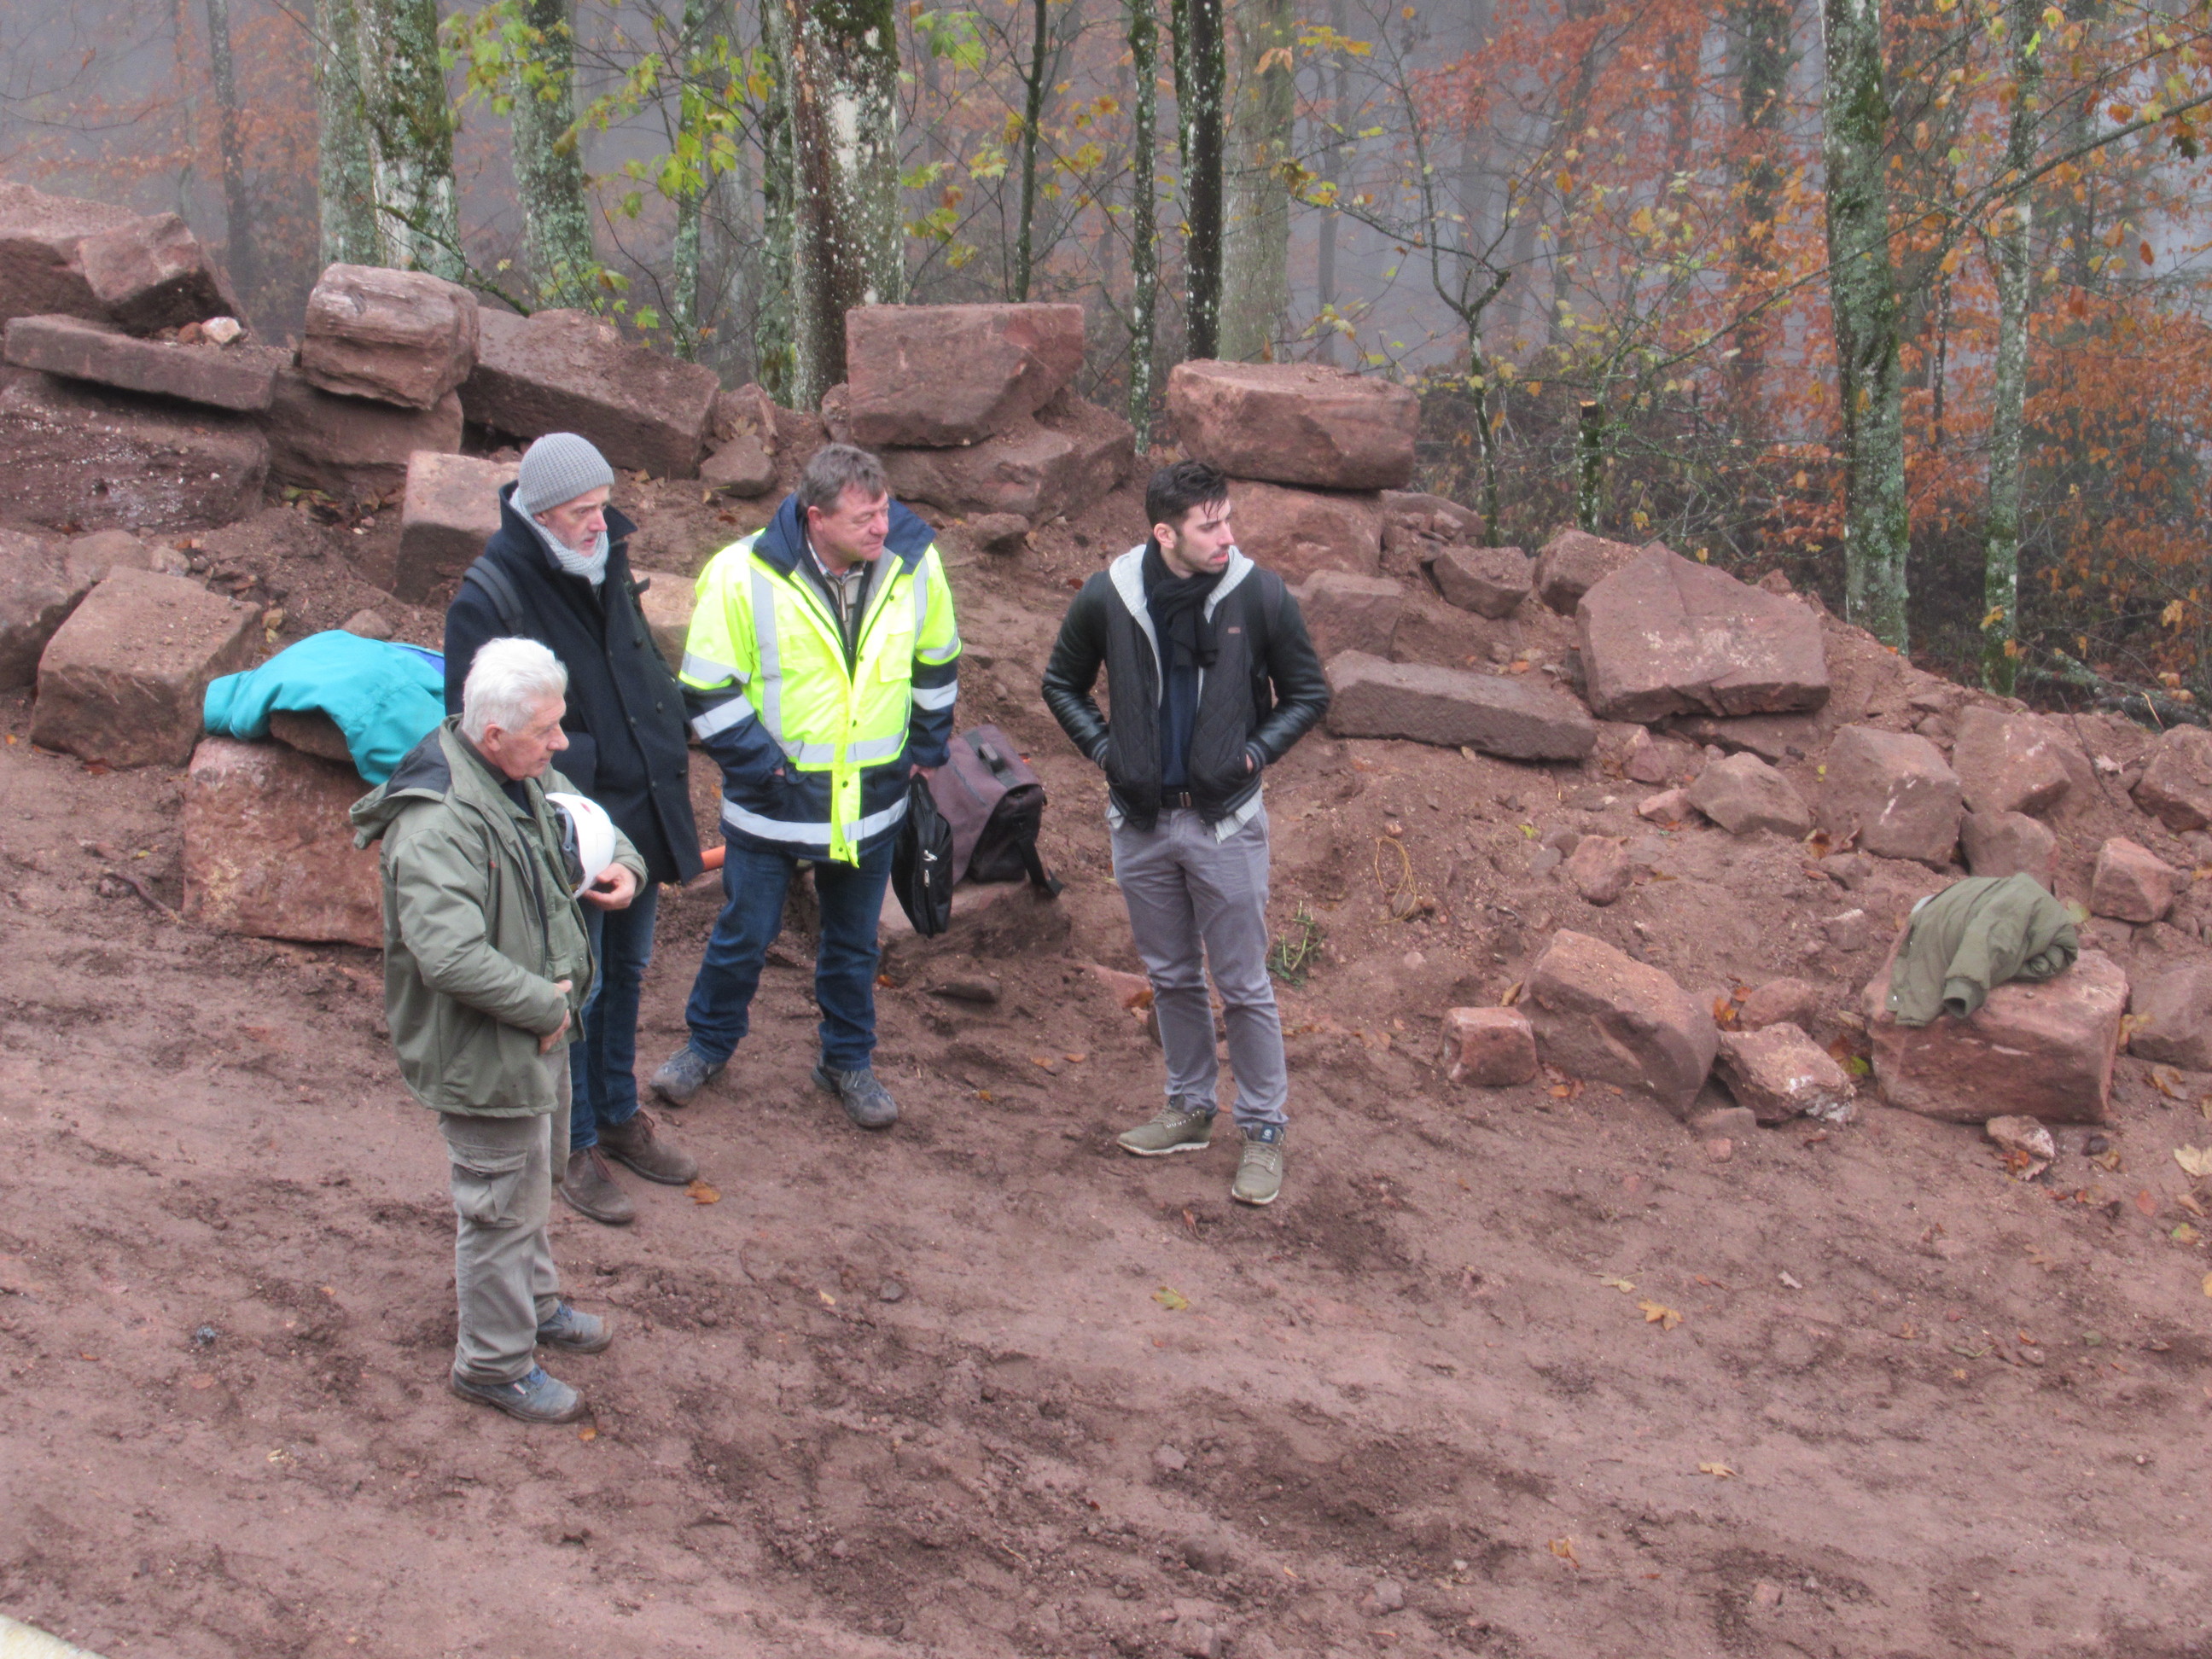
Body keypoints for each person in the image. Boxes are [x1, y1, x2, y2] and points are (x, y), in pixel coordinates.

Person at [351, 637, 647, 1424]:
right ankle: (492, 1364)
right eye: (547, 730)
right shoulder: (437, 825)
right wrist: (547, 1007)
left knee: (532, 1180)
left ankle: (535, 1306)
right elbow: (449, 956)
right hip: (488, 1046)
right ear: (494, 734)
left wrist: (624, 864)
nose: (561, 744)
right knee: (497, 1207)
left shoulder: (517, 772)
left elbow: (586, 822)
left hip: (537, 1033)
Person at [1040, 460, 1330, 1206]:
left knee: (1244, 984)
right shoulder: (1110, 594)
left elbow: (1308, 693)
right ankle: (1191, 1107)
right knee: (1170, 975)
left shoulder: (1260, 594)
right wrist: (1106, 752)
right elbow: (1061, 682)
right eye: (1210, 526)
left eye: (1228, 519)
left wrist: (1252, 755)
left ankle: (1263, 1129)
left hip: (1225, 822)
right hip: (1140, 823)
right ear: (1164, 533)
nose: (1227, 536)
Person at [649, 444, 962, 1129]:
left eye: (884, 511)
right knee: (745, 934)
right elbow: (705, 686)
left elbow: (937, 658)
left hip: (871, 804)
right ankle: (707, 1046)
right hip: (774, 805)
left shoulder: (915, 563)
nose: (882, 528)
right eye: (863, 518)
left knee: (853, 944)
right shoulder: (741, 574)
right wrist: (765, 768)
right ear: (815, 518)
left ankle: (847, 1061)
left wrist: (926, 750)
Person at [443, 433, 702, 1226]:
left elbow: (634, 671)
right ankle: (576, 1141)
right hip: (566, 831)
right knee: (574, 989)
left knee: (627, 970)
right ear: (542, 511)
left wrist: (672, 729)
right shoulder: (490, 597)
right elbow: (473, 736)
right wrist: (579, 784)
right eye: (584, 511)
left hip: (640, 815)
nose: (602, 523)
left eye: (603, 506)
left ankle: (617, 1112)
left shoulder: (604, 559)